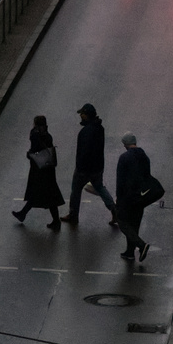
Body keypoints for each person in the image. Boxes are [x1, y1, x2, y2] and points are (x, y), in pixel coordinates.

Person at [64, 103, 115, 225]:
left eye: (82, 113)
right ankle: (114, 209)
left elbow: (84, 152)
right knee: (100, 188)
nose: (80, 116)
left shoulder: (85, 131)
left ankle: (73, 215)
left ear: (86, 115)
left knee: (76, 191)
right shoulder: (99, 128)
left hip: (84, 169)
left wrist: (80, 168)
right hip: (98, 167)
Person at [14, 115, 64, 229]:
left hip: (39, 169)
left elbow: (34, 150)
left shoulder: (35, 135)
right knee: (48, 194)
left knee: (37, 192)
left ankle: (23, 214)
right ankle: (24, 214)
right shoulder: (47, 135)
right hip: (48, 169)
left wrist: (29, 154)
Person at [115, 133, 154, 261]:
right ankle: (129, 252)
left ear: (125, 144)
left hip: (127, 197)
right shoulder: (144, 157)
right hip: (141, 197)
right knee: (134, 224)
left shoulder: (124, 158)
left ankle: (141, 245)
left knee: (122, 222)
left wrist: (118, 198)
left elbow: (120, 181)